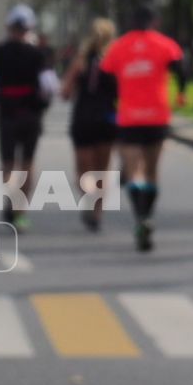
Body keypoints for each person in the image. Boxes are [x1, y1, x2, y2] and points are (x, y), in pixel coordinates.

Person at [101, 3, 189, 252]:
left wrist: (115, 101)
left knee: (133, 172)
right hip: (157, 117)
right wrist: (181, 93)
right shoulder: (165, 44)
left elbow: (106, 77)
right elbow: (181, 69)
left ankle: (140, 217)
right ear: (155, 21)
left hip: (129, 118)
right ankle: (148, 215)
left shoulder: (119, 46)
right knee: (152, 171)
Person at [0, 4, 55, 231]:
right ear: (30, 28)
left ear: (8, 27)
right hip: (31, 114)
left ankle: (11, 200)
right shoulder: (38, 54)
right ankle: (20, 210)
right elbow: (49, 85)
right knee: (28, 163)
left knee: (8, 163)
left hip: (7, 113)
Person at [60, 17, 119, 232]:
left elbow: (65, 92)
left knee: (84, 169)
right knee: (100, 169)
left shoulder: (82, 61)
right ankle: (96, 210)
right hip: (103, 118)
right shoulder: (111, 62)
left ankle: (92, 205)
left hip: (86, 118)